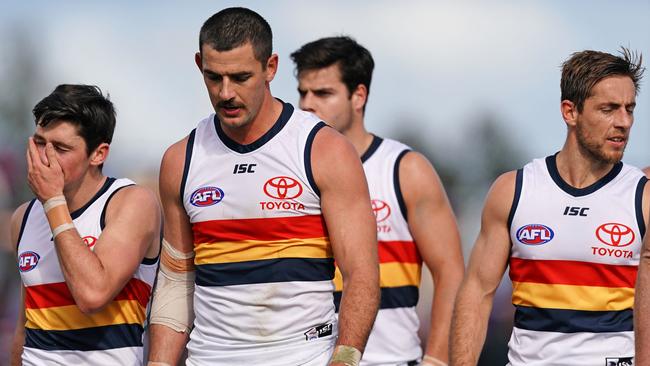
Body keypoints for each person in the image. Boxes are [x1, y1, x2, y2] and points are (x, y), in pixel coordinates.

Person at [147, 7, 379, 366]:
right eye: (213, 77)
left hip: (304, 356)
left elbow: (361, 275)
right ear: (199, 64)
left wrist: (344, 360)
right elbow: (177, 280)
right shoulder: (180, 160)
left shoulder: (323, 150)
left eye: (240, 77)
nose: (226, 93)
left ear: (270, 67)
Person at [450, 48, 647, 365]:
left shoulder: (643, 197)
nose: (624, 122)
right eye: (609, 109)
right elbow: (477, 292)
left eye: (630, 109)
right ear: (570, 112)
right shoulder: (514, 190)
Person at [290, 36, 464, 366]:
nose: (307, 104)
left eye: (323, 93)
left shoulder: (405, 170)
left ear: (359, 96)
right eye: (302, 93)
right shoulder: (287, 170)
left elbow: (451, 273)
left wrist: (438, 360)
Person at [10, 84, 161, 365]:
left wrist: (54, 202)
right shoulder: (23, 218)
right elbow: (24, 328)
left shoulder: (131, 202)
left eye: (61, 148)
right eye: (40, 142)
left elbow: (92, 294)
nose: (45, 157)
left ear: (98, 154)